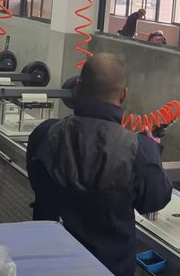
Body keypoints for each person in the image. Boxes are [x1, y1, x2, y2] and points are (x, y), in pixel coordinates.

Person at [26, 53, 172, 276]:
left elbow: (38, 182)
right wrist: (152, 154)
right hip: (109, 269)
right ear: (123, 94)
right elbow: (155, 200)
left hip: (47, 264)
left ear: (78, 86)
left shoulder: (45, 134)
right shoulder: (139, 150)